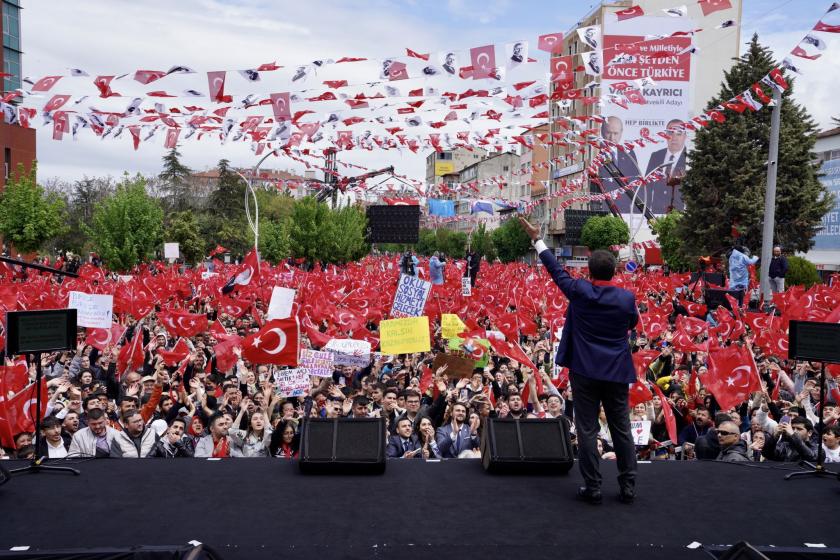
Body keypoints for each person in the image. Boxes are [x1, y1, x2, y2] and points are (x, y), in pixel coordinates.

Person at [520, 215, 638, 504]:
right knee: (621, 428)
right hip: (617, 371)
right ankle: (628, 486)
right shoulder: (626, 299)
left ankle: (593, 486)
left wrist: (537, 239)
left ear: (588, 271)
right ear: (615, 271)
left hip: (585, 371)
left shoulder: (581, 291)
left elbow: (555, 270)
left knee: (587, 428)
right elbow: (633, 323)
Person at [598, 116, 640, 213]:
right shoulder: (594, 151)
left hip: (625, 208)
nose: (612, 138)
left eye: (615, 133)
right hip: (603, 206)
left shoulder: (628, 153)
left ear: (621, 133)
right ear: (602, 131)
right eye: (608, 133)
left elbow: (636, 180)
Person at [644, 119, 688, 213]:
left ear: (685, 136)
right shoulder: (656, 156)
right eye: (670, 133)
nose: (674, 137)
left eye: (679, 133)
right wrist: (645, 211)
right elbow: (647, 186)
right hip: (655, 212)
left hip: (679, 214)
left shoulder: (689, 158)